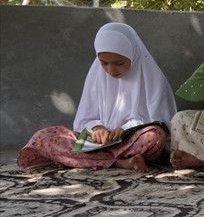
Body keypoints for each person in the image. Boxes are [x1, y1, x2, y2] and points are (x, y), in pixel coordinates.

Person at [18, 22, 174, 173]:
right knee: (44, 137)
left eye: (119, 63)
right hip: (96, 142)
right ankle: (119, 163)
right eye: (104, 63)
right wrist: (97, 128)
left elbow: (162, 123)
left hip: (131, 142)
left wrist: (126, 129)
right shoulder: (97, 76)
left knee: (154, 136)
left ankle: (82, 160)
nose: (111, 70)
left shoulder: (152, 78)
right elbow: (83, 121)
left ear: (133, 54)